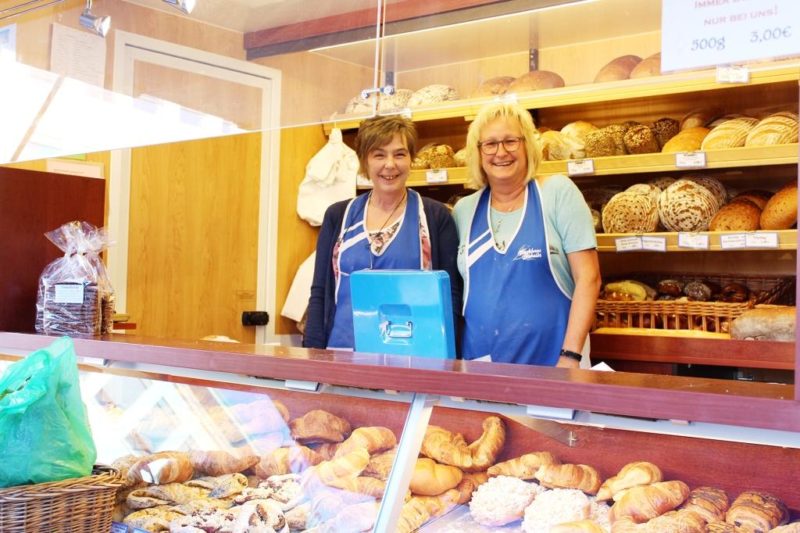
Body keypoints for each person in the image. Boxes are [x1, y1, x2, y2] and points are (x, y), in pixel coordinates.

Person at [452, 102, 601, 368]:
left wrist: (570, 356)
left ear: (527, 147)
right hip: (480, 366)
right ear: (478, 153)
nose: (501, 152)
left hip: (553, 365)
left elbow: (588, 277)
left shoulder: (556, 193)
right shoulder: (464, 210)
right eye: (490, 144)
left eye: (511, 141)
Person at [304, 115, 461, 350]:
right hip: (343, 352)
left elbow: (451, 297)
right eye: (379, 155)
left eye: (399, 154)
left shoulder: (434, 217)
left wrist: (446, 357)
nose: (390, 164)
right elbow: (319, 293)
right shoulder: (339, 216)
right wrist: (312, 358)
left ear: (411, 159)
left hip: (412, 355)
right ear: (365, 162)